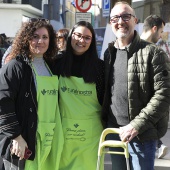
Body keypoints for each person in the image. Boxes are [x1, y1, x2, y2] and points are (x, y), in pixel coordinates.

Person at [102, 1, 170, 170]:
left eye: (126, 16)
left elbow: (164, 93)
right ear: (110, 22)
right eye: (115, 18)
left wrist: (136, 125)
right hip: (114, 133)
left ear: (135, 21)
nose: (120, 21)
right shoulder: (109, 53)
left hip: (141, 135)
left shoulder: (153, 52)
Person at [0, 18, 63, 170]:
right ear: (26, 38)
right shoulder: (16, 66)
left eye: (45, 37)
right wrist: (16, 136)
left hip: (46, 141)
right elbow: (3, 102)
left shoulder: (52, 66)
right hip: (21, 144)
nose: (40, 41)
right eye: (35, 36)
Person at [53, 21, 104, 170]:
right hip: (62, 131)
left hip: (91, 135)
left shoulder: (100, 68)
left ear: (92, 41)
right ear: (71, 36)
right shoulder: (56, 63)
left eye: (87, 38)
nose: (82, 41)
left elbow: (104, 99)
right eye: (78, 35)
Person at [140, 14, 168, 159]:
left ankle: (159, 145)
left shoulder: (132, 48)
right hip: (143, 121)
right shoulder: (156, 52)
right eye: (161, 31)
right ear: (154, 28)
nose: (162, 35)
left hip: (144, 120)